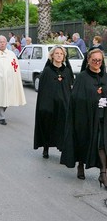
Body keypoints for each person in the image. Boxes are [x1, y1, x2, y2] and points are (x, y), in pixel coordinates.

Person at [60, 49, 107, 188]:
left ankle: (103, 173)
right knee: (84, 141)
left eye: (99, 60)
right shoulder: (82, 77)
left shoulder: (105, 77)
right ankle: (81, 164)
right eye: (94, 60)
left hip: (102, 117)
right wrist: (94, 101)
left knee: (102, 143)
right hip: (85, 117)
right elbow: (77, 99)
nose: (97, 63)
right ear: (88, 61)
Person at [34, 45, 74, 158]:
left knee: (63, 127)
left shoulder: (66, 71)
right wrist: (44, 105)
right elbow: (43, 91)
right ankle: (46, 147)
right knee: (48, 126)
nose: (59, 55)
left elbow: (69, 89)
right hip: (49, 106)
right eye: (56, 53)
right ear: (52, 55)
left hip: (63, 105)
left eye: (61, 54)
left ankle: (62, 148)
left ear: (64, 56)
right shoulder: (47, 71)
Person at [0, 35, 26, 125]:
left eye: (3, 42)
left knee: (7, 98)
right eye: (0, 42)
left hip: (9, 80)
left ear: (6, 43)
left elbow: (15, 67)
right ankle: (1, 117)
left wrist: (14, 75)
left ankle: (3, 109)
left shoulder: (11, 54)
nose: (2, 44)